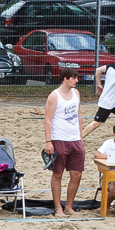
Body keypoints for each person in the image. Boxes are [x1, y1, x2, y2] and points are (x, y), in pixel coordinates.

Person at [43, 69, 85, 217]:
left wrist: (80, 135)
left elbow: (79, 114)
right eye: (74, 78)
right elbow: (47, 119)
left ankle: (69, 206)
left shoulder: (76, 93)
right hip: (59, 138)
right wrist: (48, 141)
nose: (77, 81)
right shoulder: (54, 96)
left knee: (77, 174)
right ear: (66, 79)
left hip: (75, 139)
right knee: (58, 173)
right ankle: (58, 208)